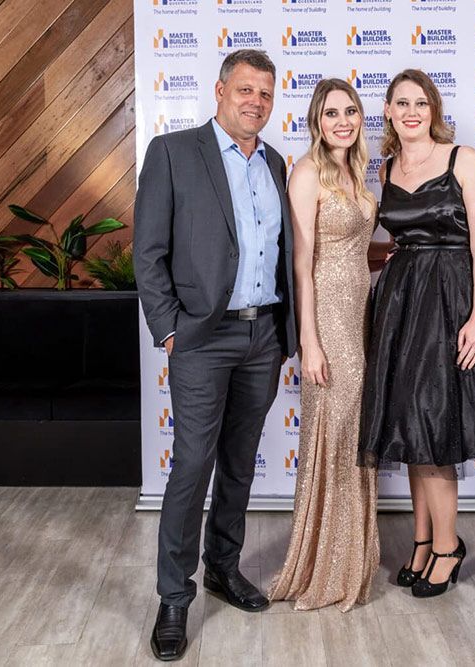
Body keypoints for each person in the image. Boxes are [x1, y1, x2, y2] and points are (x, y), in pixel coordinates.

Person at [134, 49, 296, 660]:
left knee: (238, 462)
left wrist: (287, 336)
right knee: (192, 466)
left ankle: (224, 570)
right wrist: (170, 330)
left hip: (263, 336)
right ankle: (174, 596)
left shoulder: (277, 163)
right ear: (220, 90)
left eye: (266, 94)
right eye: (245, 90)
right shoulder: (174, 153)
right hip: (202, 337)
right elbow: (147, 251)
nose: (256, 102)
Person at [357, 69, 475, 599]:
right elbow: (401, 241)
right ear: (388, 110)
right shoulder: (386, 165)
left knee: (433, 426)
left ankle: (448, 547)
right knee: (410, 425)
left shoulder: (462, 159)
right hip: (401, 301)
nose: (411, 111)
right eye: (401, 102)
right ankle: (423, 543)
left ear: (434, 109)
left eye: (420, 103)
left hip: (449, 300)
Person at [267, 78, 380, 612]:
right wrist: (309, 341)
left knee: (355, 432)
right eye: (331, 112)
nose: (342, 121)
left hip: (362, 312)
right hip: (328, 318)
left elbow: (365, 251)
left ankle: (351, 559)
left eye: (350, 111)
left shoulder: (360, 172)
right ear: (317, 120)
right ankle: (323, 565)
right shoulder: (307, 172)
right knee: (332, 431)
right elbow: (301, 263)